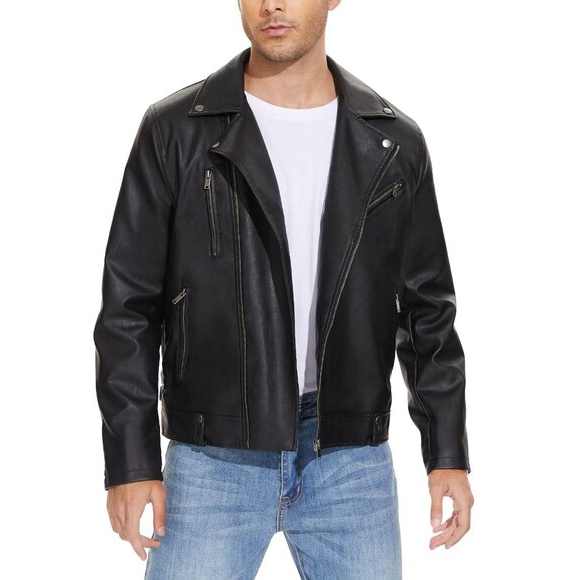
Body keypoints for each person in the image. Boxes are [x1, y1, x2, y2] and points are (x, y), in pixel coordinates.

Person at [93, 1, 475, 577]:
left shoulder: (393, 141)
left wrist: (447, 452)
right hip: (212, 457)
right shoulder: (176, 130)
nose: (273, 3)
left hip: (350, 460)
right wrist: (131, 461)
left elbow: (427, 311)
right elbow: (129, 308)